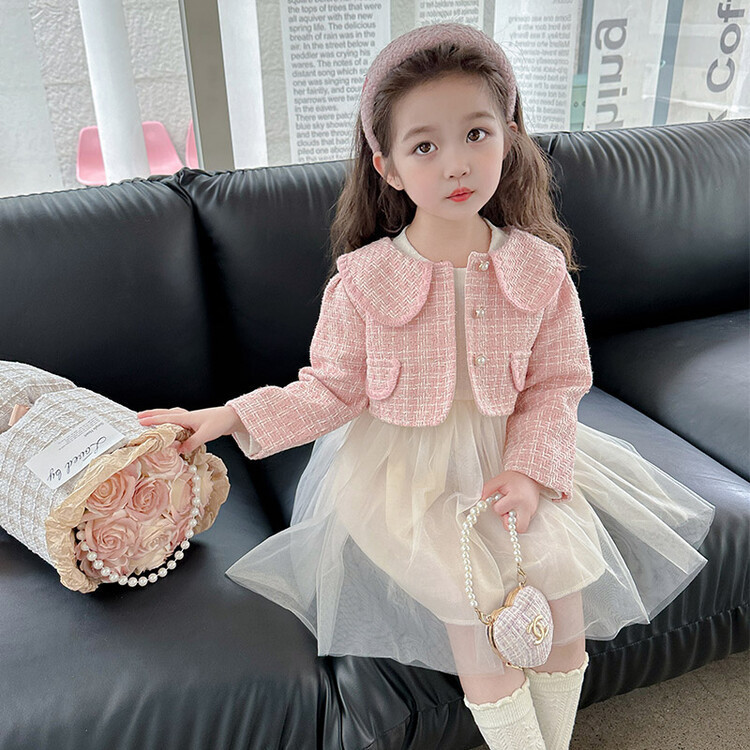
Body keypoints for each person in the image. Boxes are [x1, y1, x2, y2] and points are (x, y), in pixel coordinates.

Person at [136, 22, 716, 750]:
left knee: (561, 614)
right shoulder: (364, 281)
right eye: (424, 146)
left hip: (519, 460)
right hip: (405, 477)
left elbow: (557, 384)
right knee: (480, 621)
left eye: (476, 134)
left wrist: (530, 472)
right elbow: (331, 390)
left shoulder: (539, 269)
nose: (456, 164)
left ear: (509, 137)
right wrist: (226, 416)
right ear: (387, 167)